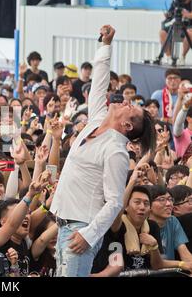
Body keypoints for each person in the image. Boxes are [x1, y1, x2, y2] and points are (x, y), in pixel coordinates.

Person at [49, 25, 156, 277]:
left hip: (82, 229)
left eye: (131, 108)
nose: (126, 102)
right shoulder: (96, 120)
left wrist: (89, 235)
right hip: (65, 224)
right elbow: (98, 82)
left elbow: (115, 202)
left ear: (127, 125)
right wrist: (106, 45)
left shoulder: (116, 151)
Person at [160, 0, 192, 65]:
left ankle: (182, 57)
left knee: (190, 32)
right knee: (162, 32)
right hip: (177, 25)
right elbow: (171, 12)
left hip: (189, 26)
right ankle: (169, 57)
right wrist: (168, 15)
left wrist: (188, 15)